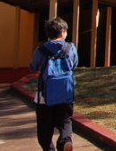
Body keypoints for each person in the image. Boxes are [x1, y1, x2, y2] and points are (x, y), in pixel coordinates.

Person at [29, 17, 78, 151]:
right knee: (65, 121)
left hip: (45, 96)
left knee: (44, 128)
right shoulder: (70, 48)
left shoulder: (41, 50)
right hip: (66, 94)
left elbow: (33, 67)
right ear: (62, 32)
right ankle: (65, 141)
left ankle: (49, 148)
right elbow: (74, 64)